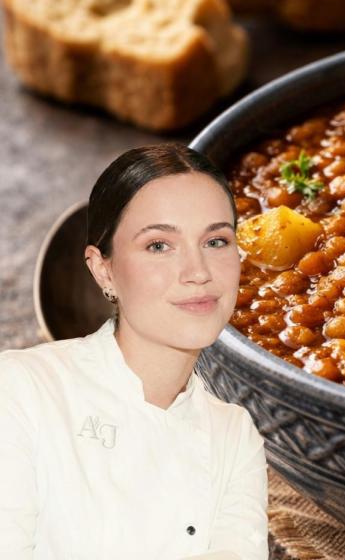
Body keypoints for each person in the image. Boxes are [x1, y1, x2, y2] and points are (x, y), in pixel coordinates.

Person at [0, 143, 268, 560]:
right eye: (159, 245)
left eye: (216, 241)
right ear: (102, 268)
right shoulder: (20, 388)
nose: (197, 272)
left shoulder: (235, 434)